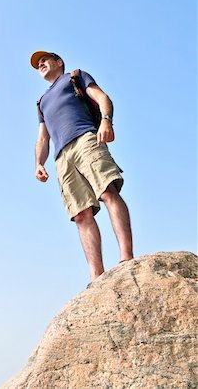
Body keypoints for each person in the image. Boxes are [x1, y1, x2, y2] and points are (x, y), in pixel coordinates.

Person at [31, 51, 134, 282]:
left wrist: (106, 121)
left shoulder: (75, 78)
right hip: (61, 158)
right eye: (38, 64)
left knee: (108, 191)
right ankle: (97, 276)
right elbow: (43, 138)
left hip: (86, 138)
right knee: (80, 214)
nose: (41, 65)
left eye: (45, 60)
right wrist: (39, 162)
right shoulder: (41, 102)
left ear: (59, 62)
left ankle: (127, 257)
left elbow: (102, 97)